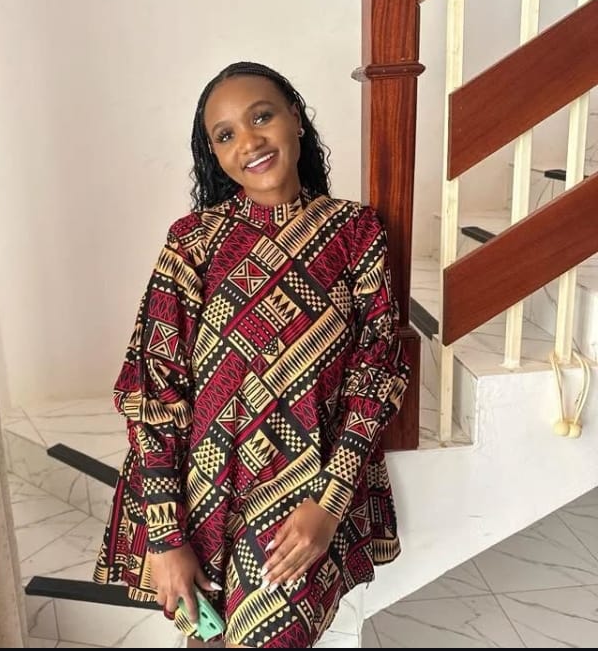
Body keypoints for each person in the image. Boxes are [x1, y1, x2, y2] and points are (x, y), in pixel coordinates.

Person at [93, 61, 410, 649]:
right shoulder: (193, 241)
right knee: (207, 641)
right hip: (204, 493)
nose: (249, 142)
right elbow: (154, 389)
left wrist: (331, 504)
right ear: (214, 154)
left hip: (308, 492)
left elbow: (376, 375)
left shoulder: (355, 232)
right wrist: (165, 536)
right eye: (226, 134)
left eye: (261, 117)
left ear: (295, 118)